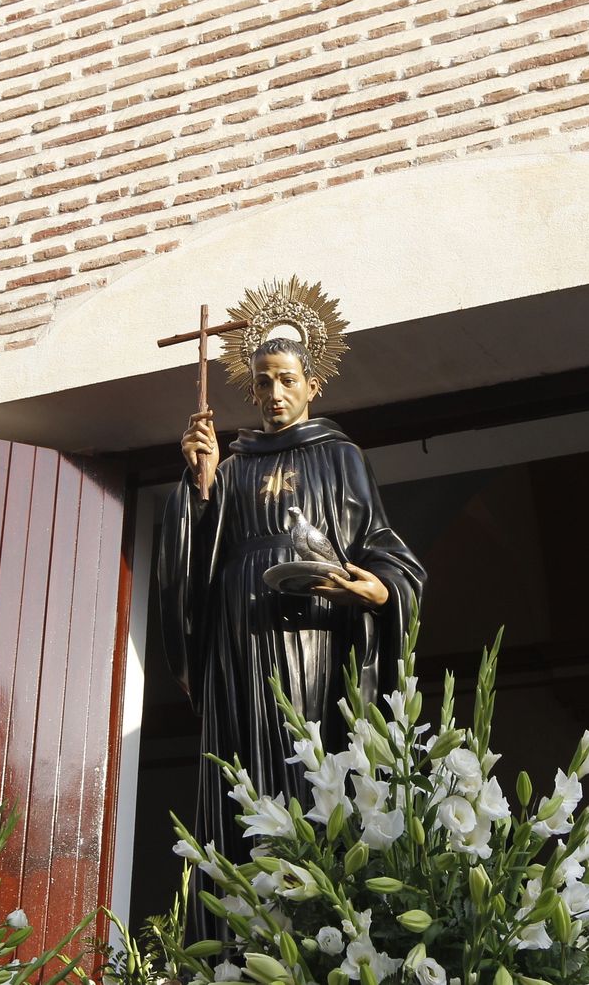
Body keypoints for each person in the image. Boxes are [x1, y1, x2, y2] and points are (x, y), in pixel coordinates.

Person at [156, 333, 425, 883]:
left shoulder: (340, 455)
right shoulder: (231, 467)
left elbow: (378, 542)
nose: (274, 392)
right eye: (262, 382)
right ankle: (244, 899)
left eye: (287, 379)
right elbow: (195, 561)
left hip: (312, 631)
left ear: (312, 385)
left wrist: (381, 590)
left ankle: (312, 891)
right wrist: (201, 487)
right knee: (244, 758)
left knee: (304, 750)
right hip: (240, 634)